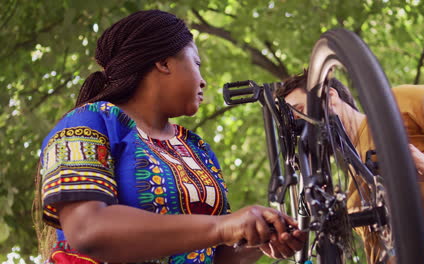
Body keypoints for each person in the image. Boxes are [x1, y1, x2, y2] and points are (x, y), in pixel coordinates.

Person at [34, 10, 306, 264]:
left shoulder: (196, 148)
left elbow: (216, 253)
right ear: (163, 63)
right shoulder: (87, 122)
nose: (203, 81)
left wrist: (258, 236)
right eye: (196, 62)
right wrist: (223, 227)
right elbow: (87, 230)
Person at [275, 69, 424, 264]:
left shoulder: (395, 105)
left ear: (329, 96)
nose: (300, 128)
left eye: (300, 111)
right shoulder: (352, 185)